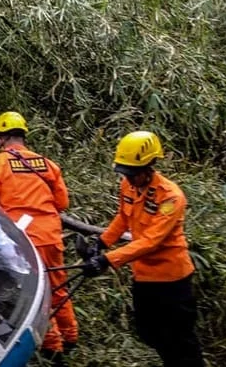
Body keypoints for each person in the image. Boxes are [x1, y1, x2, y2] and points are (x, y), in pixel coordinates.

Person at [82, 130, 204, 367]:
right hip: (144, 277)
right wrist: (101, 243)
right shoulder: (129, 188)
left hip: (172, 281)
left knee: (182, 341)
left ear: (149, 166)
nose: (128, 179)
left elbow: (151, 241)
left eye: (133, 174)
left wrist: (107, 260)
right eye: (125, 174)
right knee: (148, 332)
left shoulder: (170, 198)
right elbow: (123, 218)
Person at [0, 112, 76, 364]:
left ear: (0, 138)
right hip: (51, 234)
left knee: (38, 292)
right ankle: (70, 335)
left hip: (25, 240)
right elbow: (62, 203)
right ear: (23, 136)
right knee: (58, 285)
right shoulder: (48, 164)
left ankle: (53, 349)